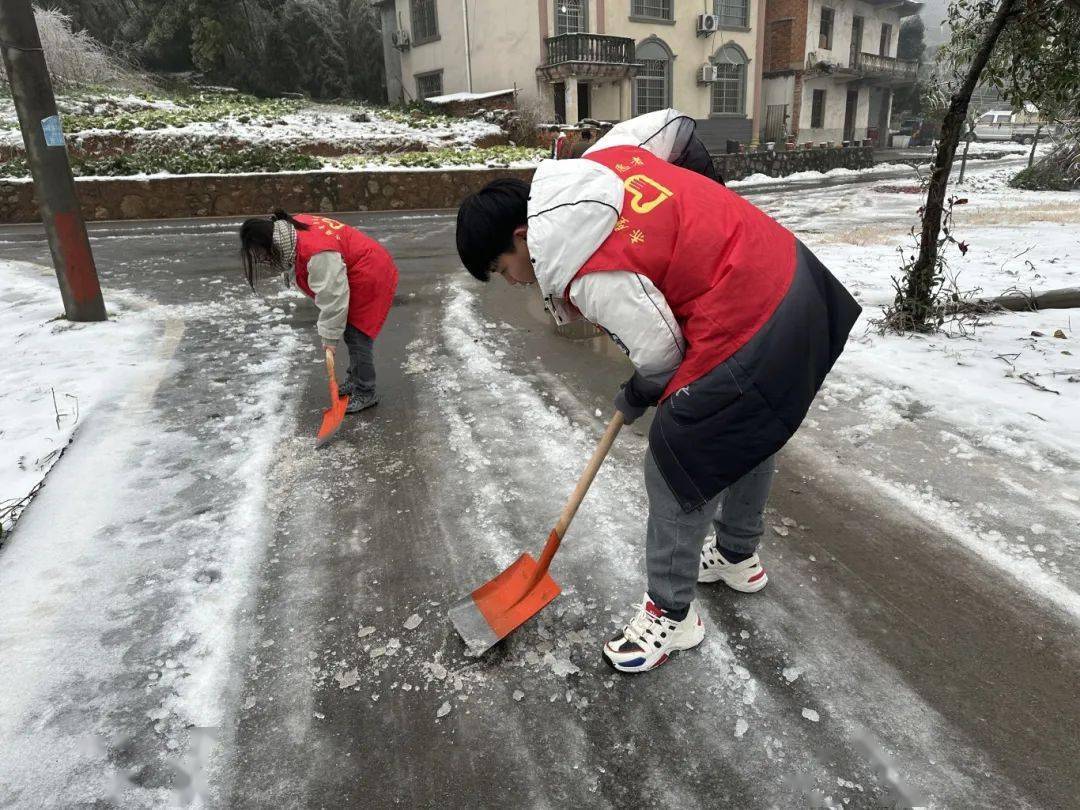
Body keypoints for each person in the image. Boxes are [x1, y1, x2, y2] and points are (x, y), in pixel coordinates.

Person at [455, 109, 860, 674]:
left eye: (503, 268)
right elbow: (675, 126)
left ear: (523, 236)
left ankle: (671, 615)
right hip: (793, 277)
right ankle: (738, 556)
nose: (514, 280)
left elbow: (661, 355)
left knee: (677, 457)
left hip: (750, 318)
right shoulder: (603, 162)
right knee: (748, 428)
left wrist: (638, 394)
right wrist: (711, 209)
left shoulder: (586, 269)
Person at [240, 210, 398, 412]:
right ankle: (355, 377)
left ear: (271, 244)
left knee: (357, 334)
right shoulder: (290, 229)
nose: (262, 259)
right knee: (350, 330)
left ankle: (365, 391)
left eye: (262, 254)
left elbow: (332, 298)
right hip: (357, 266)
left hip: (370, 272)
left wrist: (329, 339)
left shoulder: (317, 254)